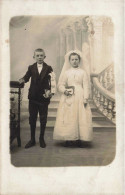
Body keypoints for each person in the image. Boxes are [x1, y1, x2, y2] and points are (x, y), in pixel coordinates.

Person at [53, 50, 93, 147]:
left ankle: (79, 137)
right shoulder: (66, 73)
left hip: (80, 95)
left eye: (76, 59)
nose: (74, 61)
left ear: (79, 60)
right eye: (72, 59)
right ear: (69, 61)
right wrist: (64, 91)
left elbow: (86, 86)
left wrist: (85, 98)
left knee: (80, 116)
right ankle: (68, 137)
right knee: (68, 116)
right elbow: (60, 85)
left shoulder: (83, 72)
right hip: (69, 96)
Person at [19, 48, 55, 148]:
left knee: (43, 119)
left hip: (44, 97)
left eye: (41, 55)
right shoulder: (31, 67)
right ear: (34, 57)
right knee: (32, 118)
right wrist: (22, 80)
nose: (39, 57)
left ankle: (41, 138)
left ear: (44, 57)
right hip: (33, 97)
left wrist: (51, 92)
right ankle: (32, 139)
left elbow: (52, 82)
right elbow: (26, 77)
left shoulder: (48, 68)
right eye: (37, 56)